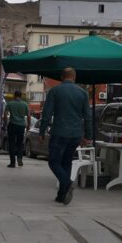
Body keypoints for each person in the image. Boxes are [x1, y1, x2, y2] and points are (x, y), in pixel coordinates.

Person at [39, 68, 92, 205]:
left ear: (62, 77)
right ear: (74, 77)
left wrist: (41, 132)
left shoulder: (54, 91)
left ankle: (67, 183)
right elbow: (88, 117)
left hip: (59, 132)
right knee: (66, 162)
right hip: (75, 135)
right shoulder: (83, 93)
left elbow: (46, 114)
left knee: (53, 162)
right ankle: (61, 195)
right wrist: (88, 135)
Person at [3, 90, 31, 168]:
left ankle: (12, 163)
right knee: (20, 143)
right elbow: (28, 115)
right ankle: (19, 158)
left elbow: (5, 115)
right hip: (21, 126)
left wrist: (5, 124)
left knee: (11, 143)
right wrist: (28, 125)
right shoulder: (25, 104)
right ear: (21, 96)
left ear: (14, 96)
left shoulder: (10, 104)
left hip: (12, 125)